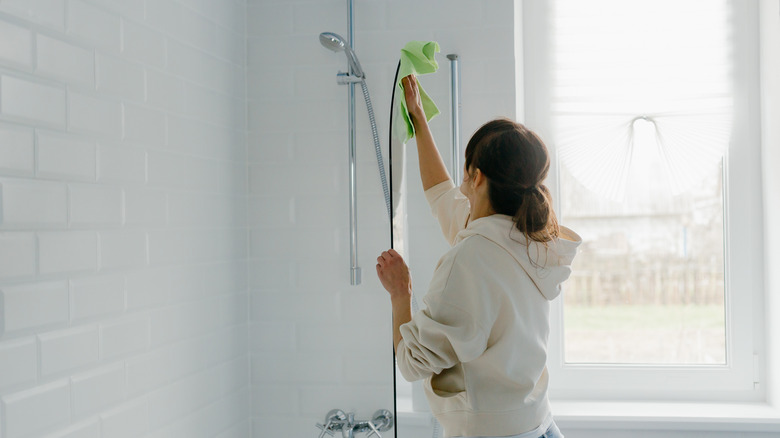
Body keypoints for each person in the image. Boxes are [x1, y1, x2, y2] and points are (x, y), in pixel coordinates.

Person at [376, 75, 582, 438]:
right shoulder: (528, 237)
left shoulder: (469, 258)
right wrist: (419, 121)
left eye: (466, 172)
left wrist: (400, 294)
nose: (460, 182)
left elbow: (411, 362)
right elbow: (441, 195)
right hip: (537, 423)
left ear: (477, 177)